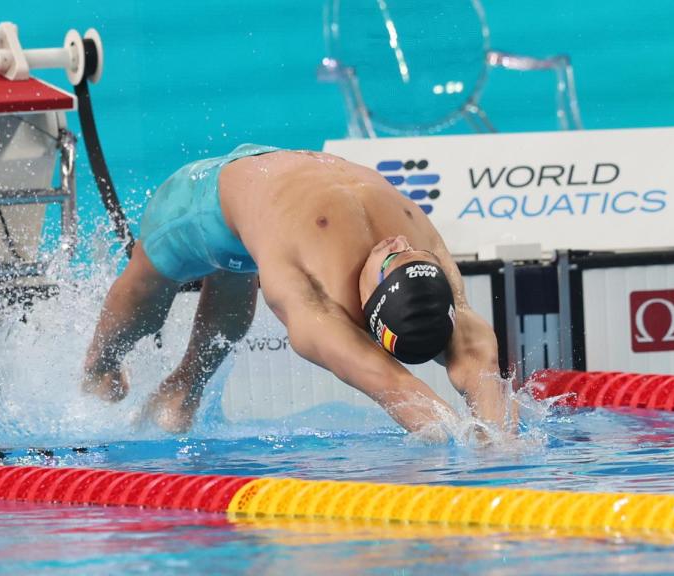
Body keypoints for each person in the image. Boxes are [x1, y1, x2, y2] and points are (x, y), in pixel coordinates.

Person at [82, 144, 510, 436]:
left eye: (391, 260)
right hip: (231, 185)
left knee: (224, 281)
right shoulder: (424, 247)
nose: (396, 243)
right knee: (156, 293)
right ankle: (97, 367)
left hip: (218, 204)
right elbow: (477, 357)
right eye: (411, 255)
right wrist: (497, 437)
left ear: (367, 307)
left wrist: (475, 447)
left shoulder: (314, 305)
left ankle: (184, 387)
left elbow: (398, 390)